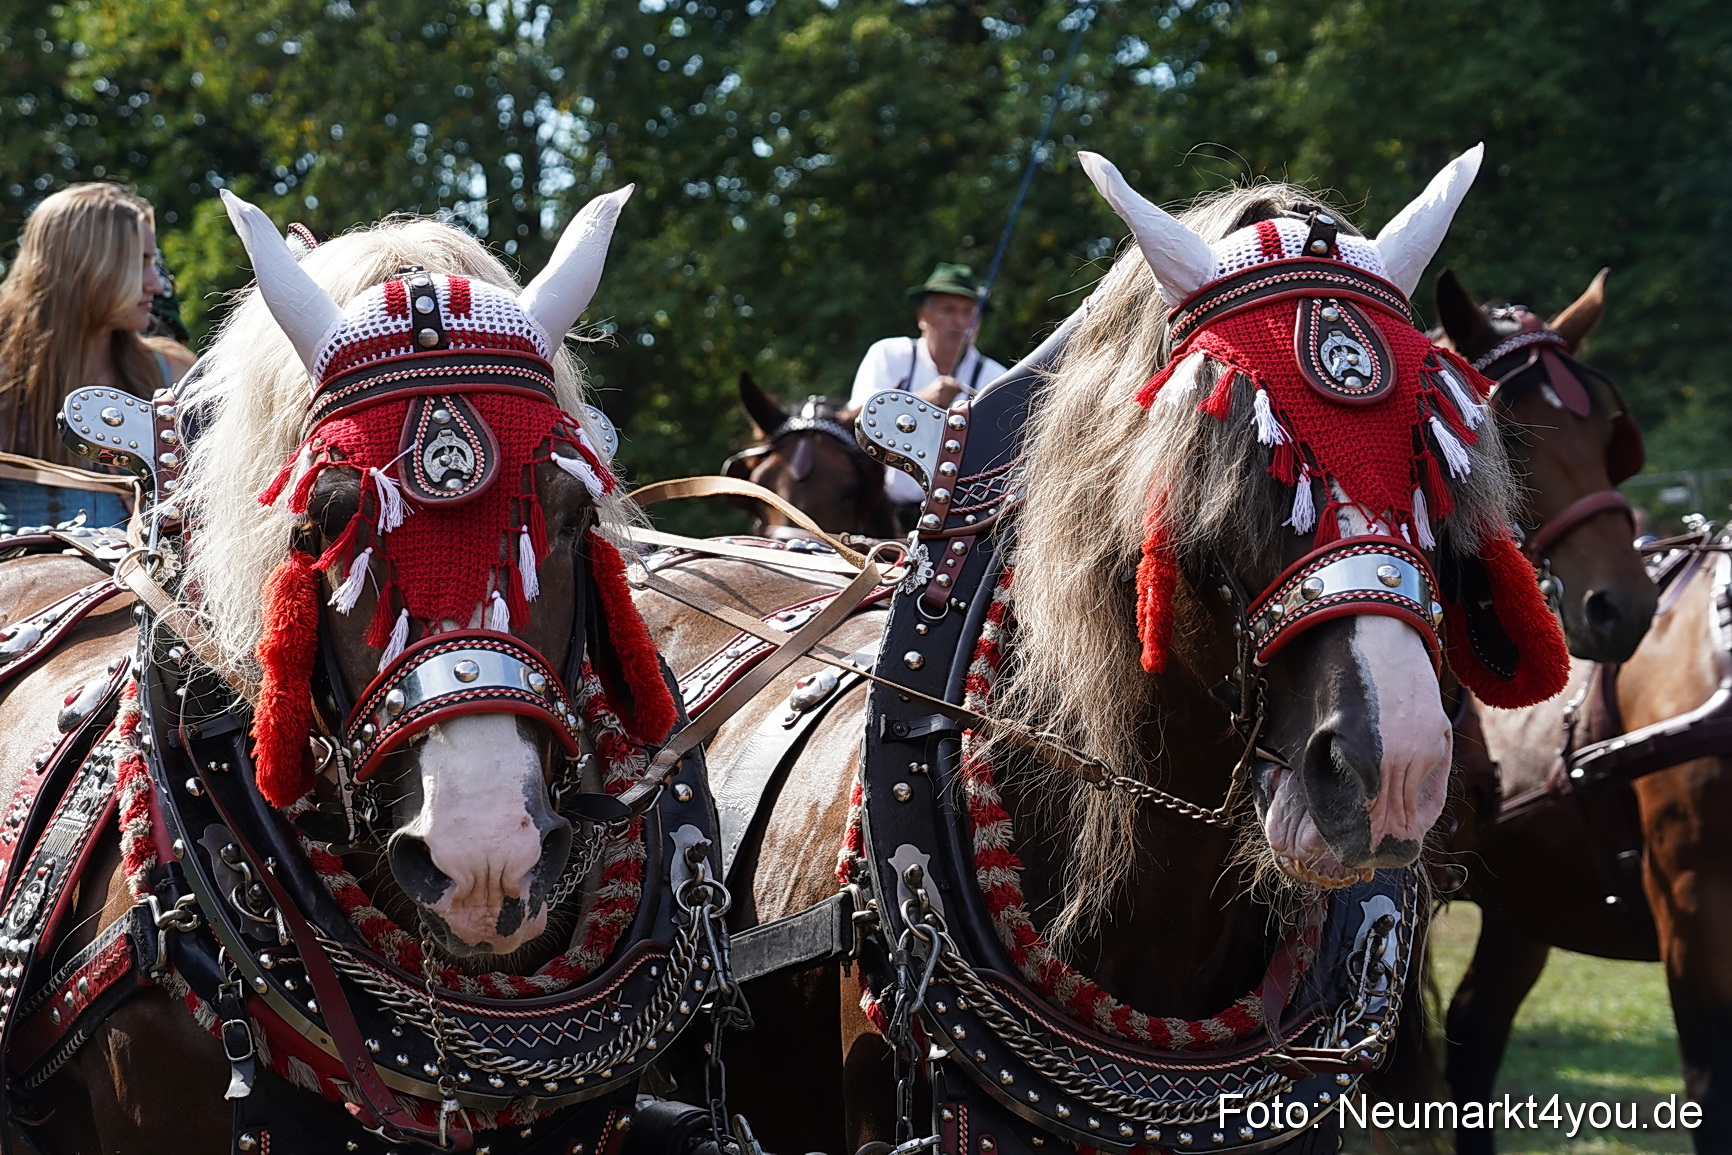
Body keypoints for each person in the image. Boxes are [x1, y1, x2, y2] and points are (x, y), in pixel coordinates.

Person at [0, 183, 194, 531]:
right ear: (83, 265)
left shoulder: (174, 375)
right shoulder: (4, 378)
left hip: (144, 567)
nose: (155, 284)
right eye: (139, 263)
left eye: (153, 262)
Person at [847, 262, 1008, 510]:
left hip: (960, 517)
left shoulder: (996, 378)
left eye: (969, 312)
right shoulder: (889, 355)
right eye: (948, 310)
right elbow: (854, 421)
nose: (960, 321)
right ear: (923, 317)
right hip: (883, 512)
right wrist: (923, 401)